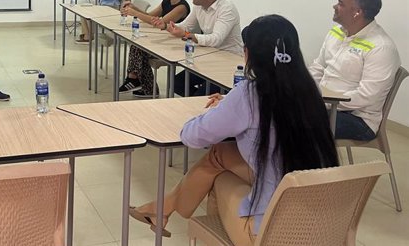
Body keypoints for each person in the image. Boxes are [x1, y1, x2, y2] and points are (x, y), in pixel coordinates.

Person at [130, 15, 339, 244]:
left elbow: (192, 137)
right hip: (320, 210)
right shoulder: (311, 89)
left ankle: (169, 214)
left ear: (250, 54)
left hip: (276, 228)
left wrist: (219, 110)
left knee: (218, 176)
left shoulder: (250, 94)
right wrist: (231, 104)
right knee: (221, 153)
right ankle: (160, 210)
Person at [309, 0, 400, 140]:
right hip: (326, 104)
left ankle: (309, 163)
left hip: (357, 118)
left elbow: (366, 97)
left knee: (297, 123)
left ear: (357, 12)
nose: (334, 6)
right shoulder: (337, 31)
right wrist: (303, 89)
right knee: (276, 110)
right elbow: (319, 67)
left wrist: (321, 102)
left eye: (340, 4)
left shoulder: (381, 47)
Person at [166, 0, 243, 96]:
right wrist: (170, 26)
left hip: (228, 63)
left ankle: (206, 107)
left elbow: (216, 39)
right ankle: (200, 107)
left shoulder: (227, 8)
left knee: (201, 96)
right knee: (176, 83)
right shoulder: (198, 5)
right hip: (209, 57)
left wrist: (186, 34)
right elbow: (186, 26)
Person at [118, 0, 190, 97]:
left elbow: (160, 23)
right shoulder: (166, 1)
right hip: (161, 39)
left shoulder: (182, 7)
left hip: (173, 45)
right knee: (139, 44)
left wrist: (134, 12)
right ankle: (146, 88)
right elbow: (151, 16)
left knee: (139, 46)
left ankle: (134, 79)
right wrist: (134, 8)